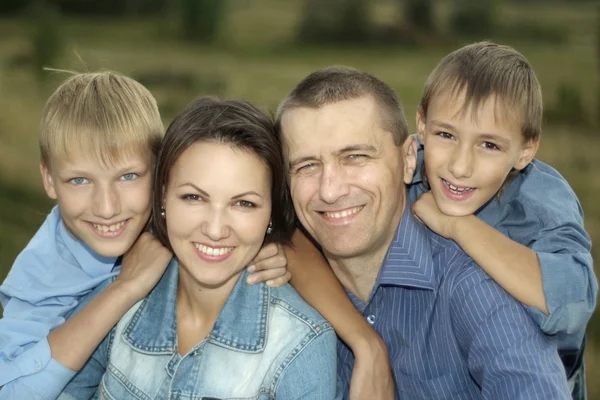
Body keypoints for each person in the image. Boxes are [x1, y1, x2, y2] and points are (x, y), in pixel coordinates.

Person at [276, 65, 571, 399]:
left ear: (407, 160)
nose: (329, 190)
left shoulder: (475, 289)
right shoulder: (279, 286)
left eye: (355, 156)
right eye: (307, 166)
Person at [0, 72, 291, 399]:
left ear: (161, 173)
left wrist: (282, 250)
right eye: (79, 181)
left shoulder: (190, 215)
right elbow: (13, 392)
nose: (107, 208)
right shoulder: (42, 271)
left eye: (128, 176)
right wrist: (125, 289)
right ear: (49, 179)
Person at [58, 97, 341, 399]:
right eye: (194, 198)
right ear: (163, 196)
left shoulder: (301, 345)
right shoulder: (116, 298)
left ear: (271, 213)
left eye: (243, 203)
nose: (215, 230)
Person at [409, 42, 596, 399]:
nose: (459, 166)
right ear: (422, 123)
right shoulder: (410, 168)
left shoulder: (541, 204)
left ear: (525, 151)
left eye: (489, 145)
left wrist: (459, 227)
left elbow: (573, 304)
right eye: (445, 134)